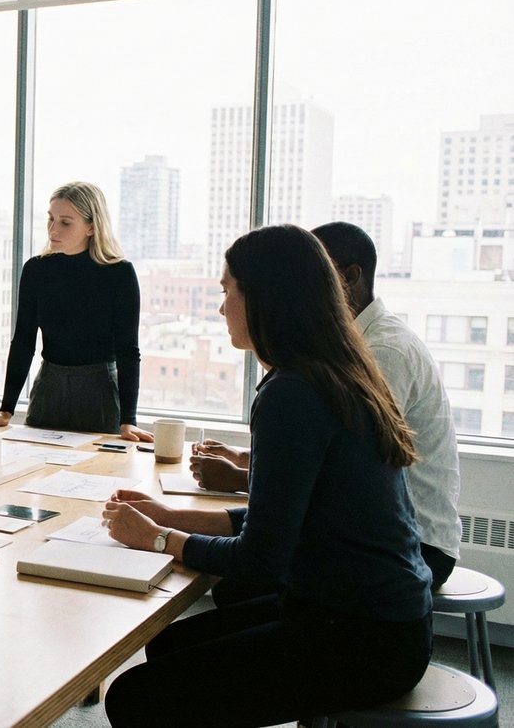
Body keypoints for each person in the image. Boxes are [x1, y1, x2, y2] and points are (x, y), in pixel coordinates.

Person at [100, 224, 432, 727]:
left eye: (226, 291)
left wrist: (159, 538)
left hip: (363, 636)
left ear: (263, 298)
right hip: (375, 615)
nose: (220, 308)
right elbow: (286, 515)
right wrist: (174, 516)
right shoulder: (333, 369)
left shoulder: (292, 393)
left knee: (134, 698)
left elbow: (261, 558)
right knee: (170, 643)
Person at [189, 221, 461, 589]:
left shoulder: (382, 351)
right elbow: (334, 456)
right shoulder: (332, 359)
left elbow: (346, 473)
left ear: (347, 278)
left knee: (241, 587)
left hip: (416, 545)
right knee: (236, 591)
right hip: (379, 541)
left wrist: (238, 479)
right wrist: (243, 461)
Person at [0, 182, 152, 441]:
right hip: (48, 391)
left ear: (91, 227)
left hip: (99, 394)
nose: (53, 230)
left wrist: (128, 421)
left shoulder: (120, 274)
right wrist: (6, 409)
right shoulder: (36, 270)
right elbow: (23, 341)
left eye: (66, 222)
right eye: (51, 219)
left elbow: (128, 351)